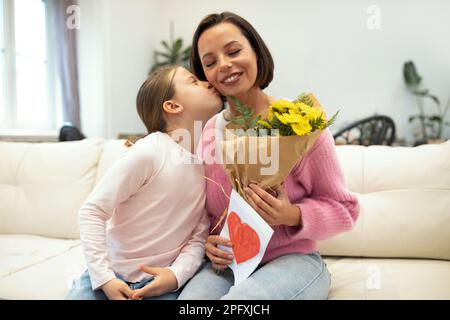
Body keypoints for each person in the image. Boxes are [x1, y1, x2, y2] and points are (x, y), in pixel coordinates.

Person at [178, 12, 360, 300]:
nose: (224, 65)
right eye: (210, 62)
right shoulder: (206, 133)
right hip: (229, 264)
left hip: (293, 260)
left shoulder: (300, 123)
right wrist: (206, 245)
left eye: (234, 51)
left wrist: (292, 215)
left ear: (256, 52)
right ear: (205, 76)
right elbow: (205, 214)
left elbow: (345, 209)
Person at [66, 65, 223, 300]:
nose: (208, 82)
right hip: (110, 276)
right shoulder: (151, 151)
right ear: (172, 106)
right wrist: (104, 278)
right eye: (193, 81)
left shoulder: (206, 167)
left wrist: (175, 276)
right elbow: (92, 211)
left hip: (163, 283)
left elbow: (198, 237)